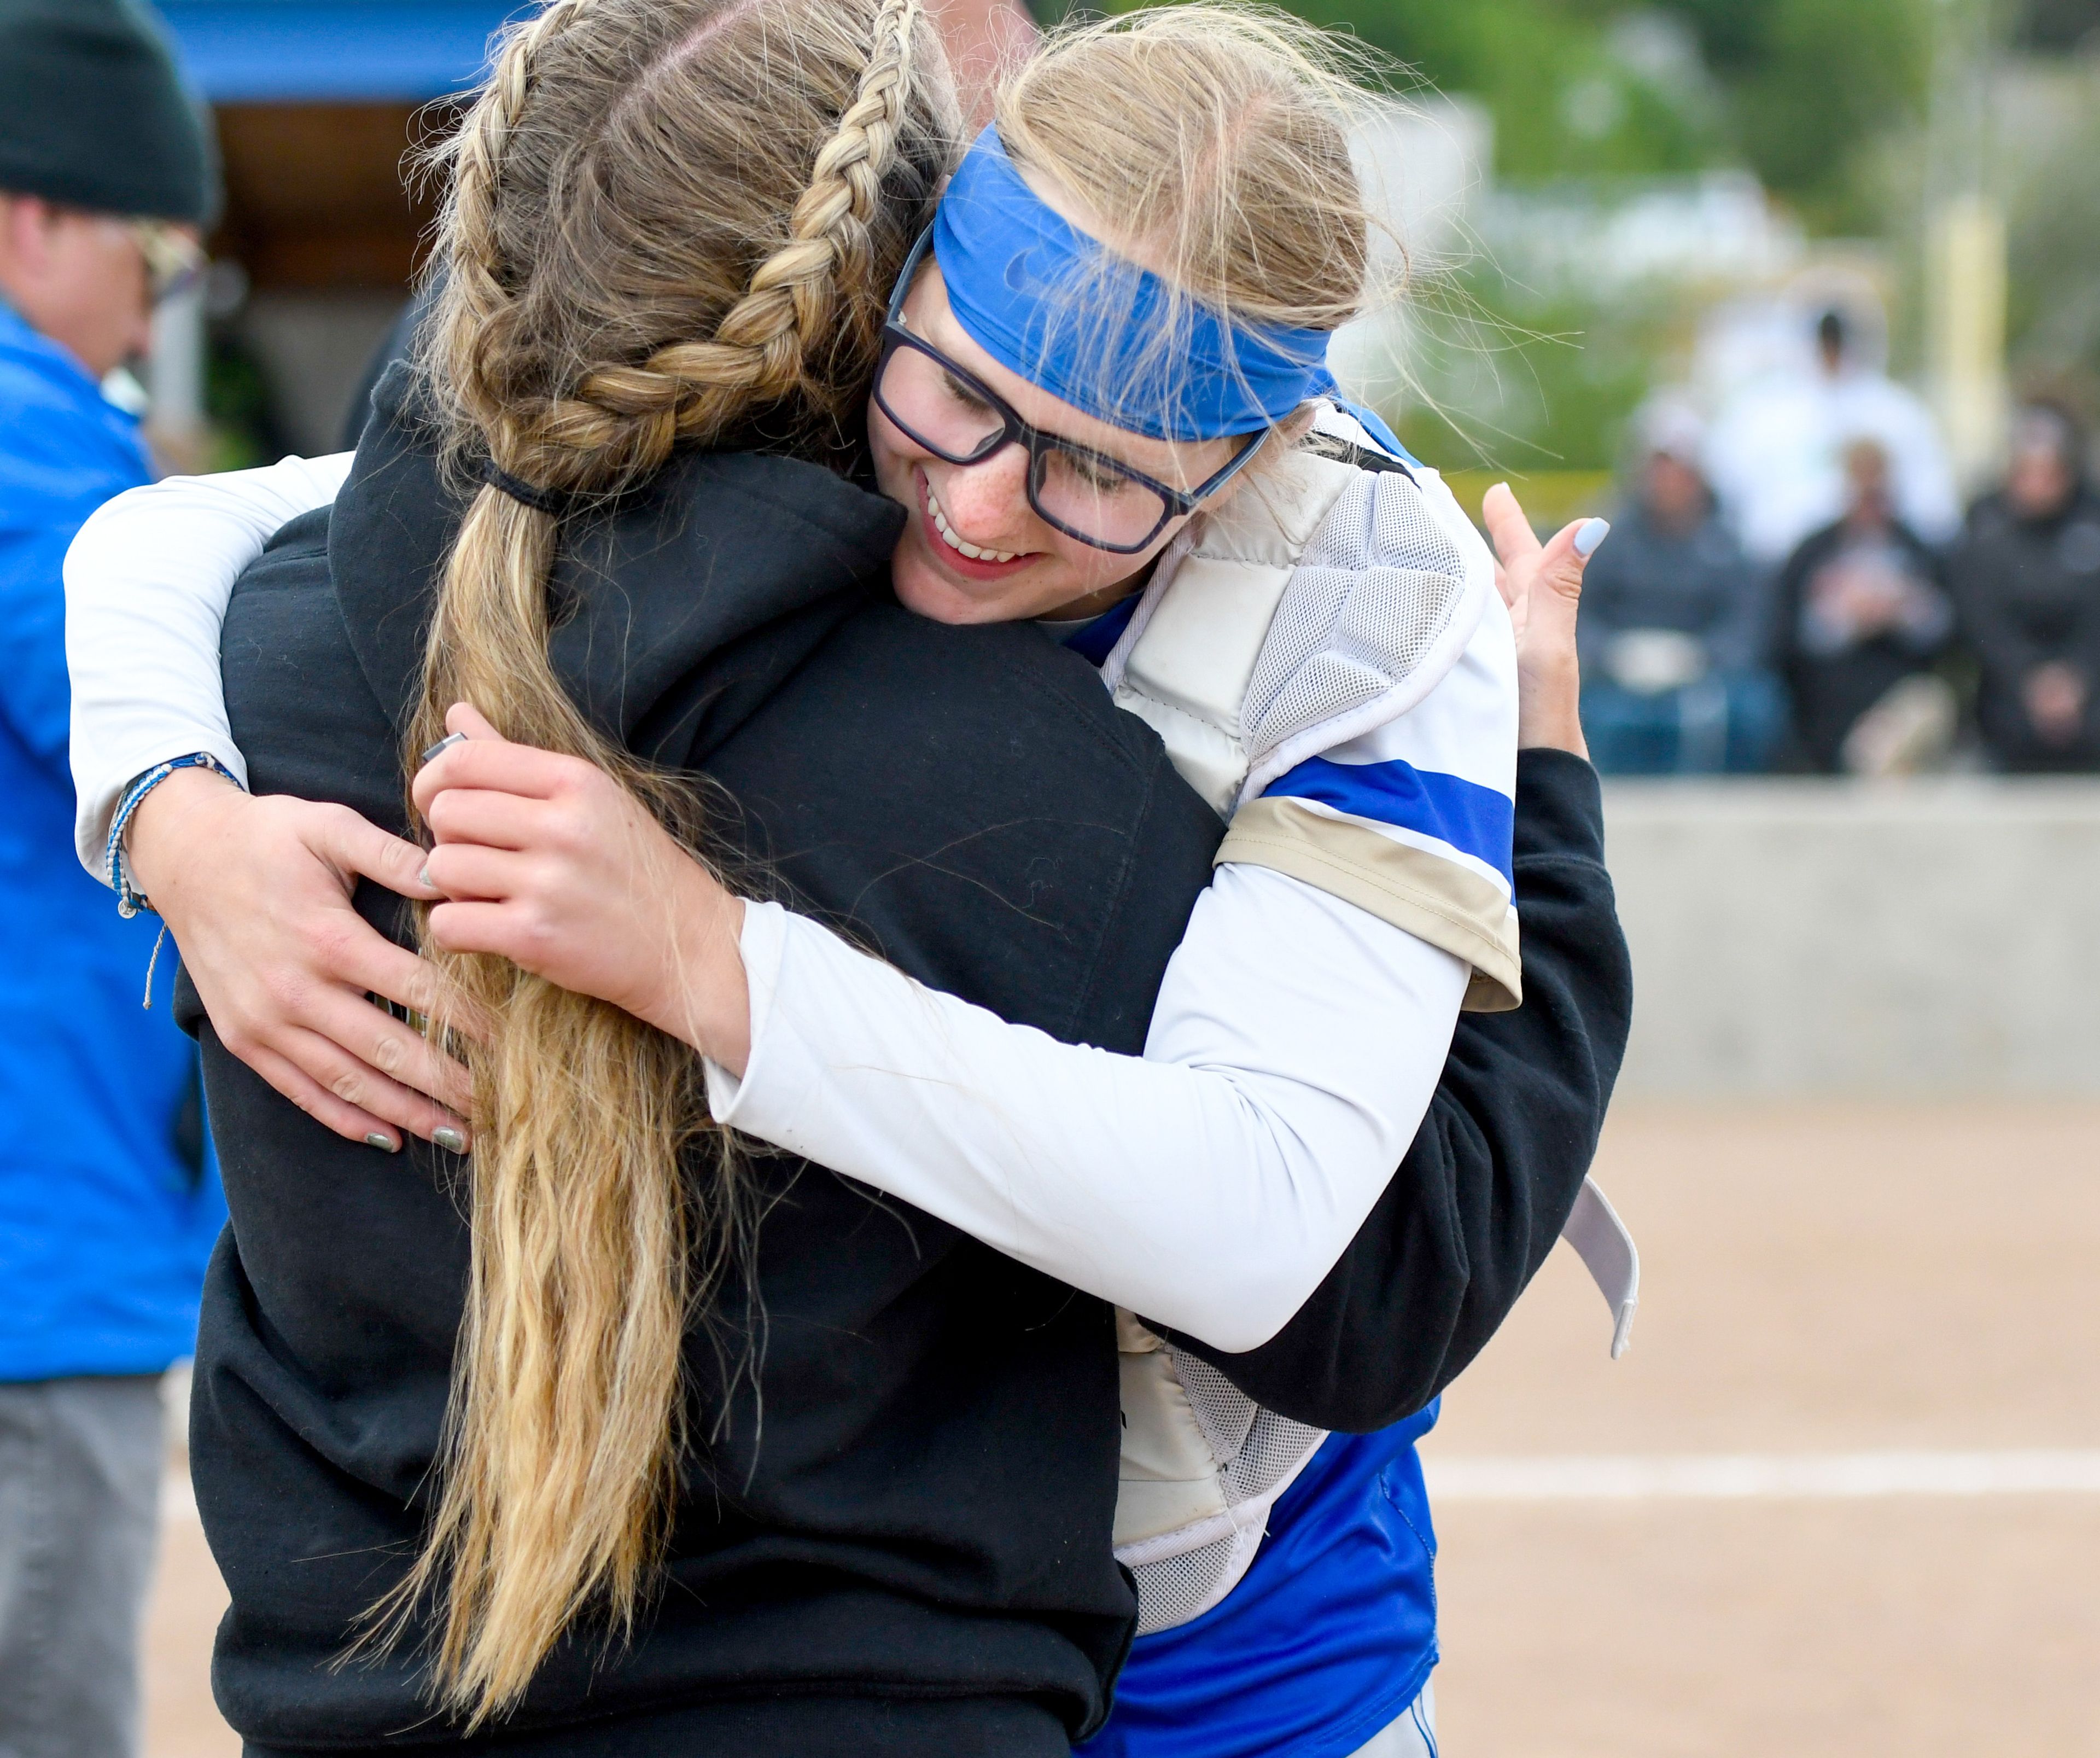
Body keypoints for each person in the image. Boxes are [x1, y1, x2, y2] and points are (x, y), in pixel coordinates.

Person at [66, 5, 1632, 1754]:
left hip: (1241, 1660)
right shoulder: (807, 405)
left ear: (1244, 467)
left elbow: (1321, 1253)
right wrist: (167, 813)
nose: (975, 507)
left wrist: (716, 962)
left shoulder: (1351, 592)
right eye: (952, 396)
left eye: (1103, 478)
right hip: (953, 1634)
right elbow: (203, 524)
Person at [0, 5, 226, 1757]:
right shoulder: (31, 444)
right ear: (30, 221)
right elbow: (156, 744)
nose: (160, 308)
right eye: (154, 252)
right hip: (36, 1247)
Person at [1578, 398, 1782, 774]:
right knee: (1593, 712)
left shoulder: (1729, 540)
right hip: (1618, 674)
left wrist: (1696, 658)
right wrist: (1614, 655)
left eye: (1681, 467)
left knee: (1756, 707)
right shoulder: (1608, 535)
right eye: (1661, 465)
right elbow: (1576, 610)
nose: (1670, 478)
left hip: (1705, 672)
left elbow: (1748, 624)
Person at [1706, 304, 1961, 567]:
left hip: (1881, 569)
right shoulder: (1760, 413)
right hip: (1780, 572)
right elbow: (1728, 496)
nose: (1831, 350)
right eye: (1824, 339)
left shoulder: (1899, 413)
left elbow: (1935, 510)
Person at [1772, 436, 1957, 774]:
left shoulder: (1918, 553)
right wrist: (1840, 616)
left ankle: (1881, 754)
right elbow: (1786, 637)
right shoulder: (1812, 554)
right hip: (1830, 703)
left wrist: (1903, 611)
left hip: (1898, 693)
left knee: (1927, 703)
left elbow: (1946, 634)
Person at [1946, 401, 2100, 772]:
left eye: (2049, 472)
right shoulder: (1986, 530)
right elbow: (1983, 623)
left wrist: (2078, 676)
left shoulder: (2090, 524)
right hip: (2011, 688)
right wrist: (2030, 678)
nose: (2039, 484)